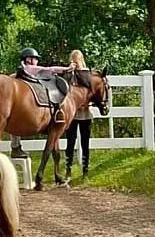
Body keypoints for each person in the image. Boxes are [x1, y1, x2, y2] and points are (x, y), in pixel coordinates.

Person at [9, 47, 76, 158]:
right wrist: (67, 68)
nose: (36, 61)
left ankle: (15, 146)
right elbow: (50, 69)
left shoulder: (18, 72)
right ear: (28, 59)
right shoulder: (31, 68)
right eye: (35, 59)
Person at [63, 49, 93, 183]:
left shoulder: (87, 74)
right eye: (74, 60)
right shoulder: (69, 75)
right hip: (73, 114)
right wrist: (70, 71)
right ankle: (68, 169)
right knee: (70, 141)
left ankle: (85, 170)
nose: (76, 62)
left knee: (85, 142)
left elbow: (92, 91)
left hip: (85, 113)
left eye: (77, 60)